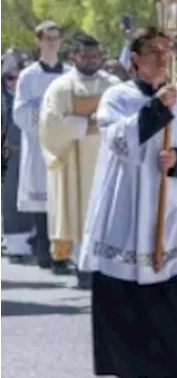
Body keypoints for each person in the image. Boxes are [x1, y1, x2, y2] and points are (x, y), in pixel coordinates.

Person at [78, 27, 177, 378]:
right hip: (127, 205)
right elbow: (118, 140)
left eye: (166, 50)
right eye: (152, 51)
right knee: (123, 292)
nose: (161, 57)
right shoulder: (117, 96)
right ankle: (127, 368)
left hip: (170, 206)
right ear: (135, 60)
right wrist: (158, 108)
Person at [40, 33, 118, 285]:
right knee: (79, 210)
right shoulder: (61, 87)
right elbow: (50, 124)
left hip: (108, 158)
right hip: (75, 162)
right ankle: (82, 265)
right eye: (87, 56)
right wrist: (85, 125)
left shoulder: (113, 85)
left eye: (96, 56)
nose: (93, 61)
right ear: (74, 56)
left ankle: (107, 265)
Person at [13, 21, 65, 270]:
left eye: (56, 38)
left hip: (65, 145)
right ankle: (44, 250)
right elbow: (20, 111)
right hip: (39, 144)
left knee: (64, 200)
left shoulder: (69, 74)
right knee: (43, 201)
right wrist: (48, 118)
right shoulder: (28, 76)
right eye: (48, 38)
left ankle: (62, 254)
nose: (53, 43)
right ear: (39, 41)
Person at [2, 52, 39, 264]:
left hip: (31, 153)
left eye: (18, 77)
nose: (14, 82)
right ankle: (15, 245)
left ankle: (35, 241)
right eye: (10, 77)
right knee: (10, 203)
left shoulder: (29, 97)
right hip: (8, 155)